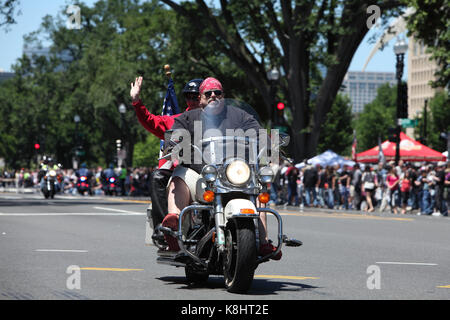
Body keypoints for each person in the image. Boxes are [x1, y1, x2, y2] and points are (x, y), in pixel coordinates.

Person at [161, 77, 281, 259]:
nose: (213, 96)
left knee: (257, 185)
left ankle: (263, 241)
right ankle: (174, 224)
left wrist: (270, 146)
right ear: (200, 98)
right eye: (208, 93)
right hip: (201, 174)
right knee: (179, 176)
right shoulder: (188, 117)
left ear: (223, 96)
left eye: (218, 93)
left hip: (233, 173)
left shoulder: (240, 116)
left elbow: (258, 133)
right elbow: (176, 135)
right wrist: (174, 142)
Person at [130, 76, 203, 238]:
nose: (192, 100)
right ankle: (165, 227)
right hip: (185, 172)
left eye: (196, 96)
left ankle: (254, 235)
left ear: (205, 96)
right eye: (188, 96)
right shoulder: (176, 121)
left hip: (213, 171)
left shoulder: (219, 120)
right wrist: (137, 102)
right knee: (158, 176)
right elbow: (151, 121)